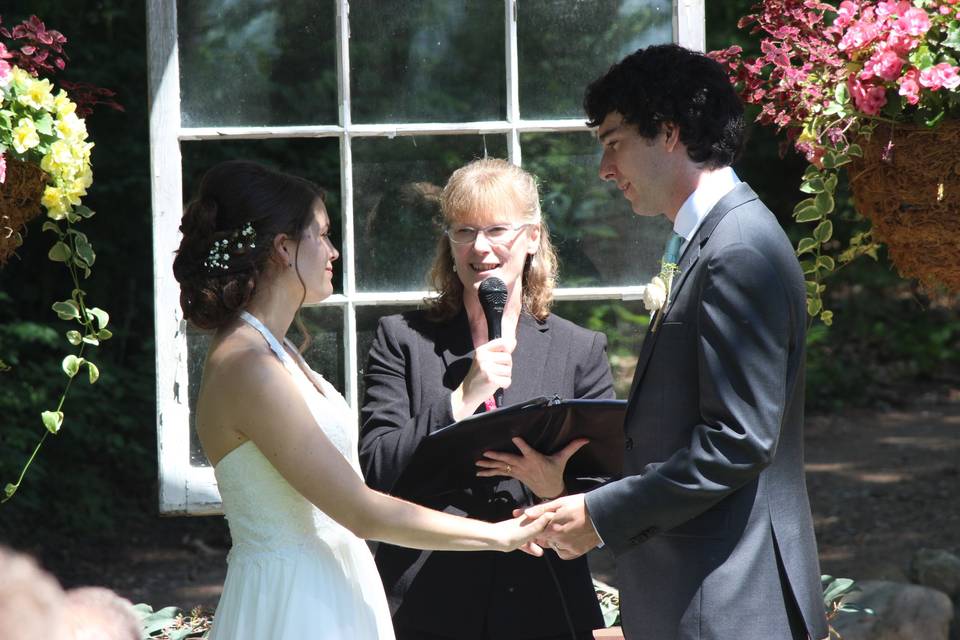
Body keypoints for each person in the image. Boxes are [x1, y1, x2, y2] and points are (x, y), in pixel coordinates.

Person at [171, 160, 553, 640]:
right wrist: (499, 536)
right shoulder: (248, 364)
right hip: (293, 604)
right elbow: (360, 510)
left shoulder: (277, 349)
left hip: (333, 588)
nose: (333, 251)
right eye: (323, 235)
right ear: (284, 249)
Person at [523, 44, 830, 640]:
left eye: (614, 142)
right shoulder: (716, 239)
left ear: (669, 132)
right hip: (708, 593)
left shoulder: (737, 249)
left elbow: (738, 442)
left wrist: (601, 515)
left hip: (731, 600)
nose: (605, 169)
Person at [359, 157, 615, 640]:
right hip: (426, 601)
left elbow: (606, 493)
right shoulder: (403, 340)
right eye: (463, 232)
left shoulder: (579, 349)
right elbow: (376, 469)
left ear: (533, 237)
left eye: (498, 229)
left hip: (546, 602)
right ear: (449, 243)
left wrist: (553, 486)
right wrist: (461, 396)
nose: (480, 248)